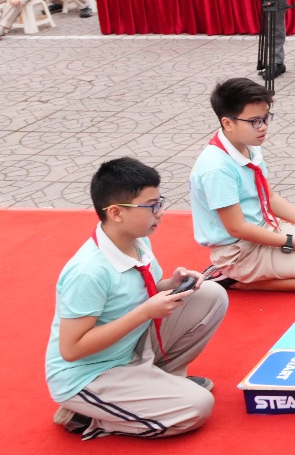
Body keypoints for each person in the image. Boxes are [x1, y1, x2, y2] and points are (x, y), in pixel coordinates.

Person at [47, 158, 227, 439]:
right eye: (151, 205)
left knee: (211, 295)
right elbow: (71, 349)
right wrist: (145, 312)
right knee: (198, 408)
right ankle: (87, 416)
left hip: (127, 349)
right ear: (117, 212)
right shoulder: (88, 272)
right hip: (89, 376)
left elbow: (145, 287)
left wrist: (171, 284)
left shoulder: (137, 240)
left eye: (160, 202)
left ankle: (160, 382)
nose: (161, 212)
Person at [190, 78, 295, 291]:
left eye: (266, 118)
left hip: (265, 229)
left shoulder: (248, 145)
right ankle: (234, 281)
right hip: (237, 250)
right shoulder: (216, 168)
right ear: (228, 123)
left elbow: (269, 197)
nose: (263, 127)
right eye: (255, 121)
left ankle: (255, 271)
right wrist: (293, 242)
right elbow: (236, 228)